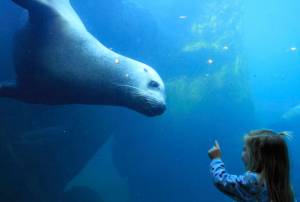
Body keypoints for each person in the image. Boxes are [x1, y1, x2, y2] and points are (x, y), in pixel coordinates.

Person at [208, 129, 295, 202]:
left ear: (258, 156)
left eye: (245, 149)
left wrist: (216, 159)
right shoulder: (284, 186)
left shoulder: (254, 180)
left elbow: (222, 181)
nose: (242, 152)